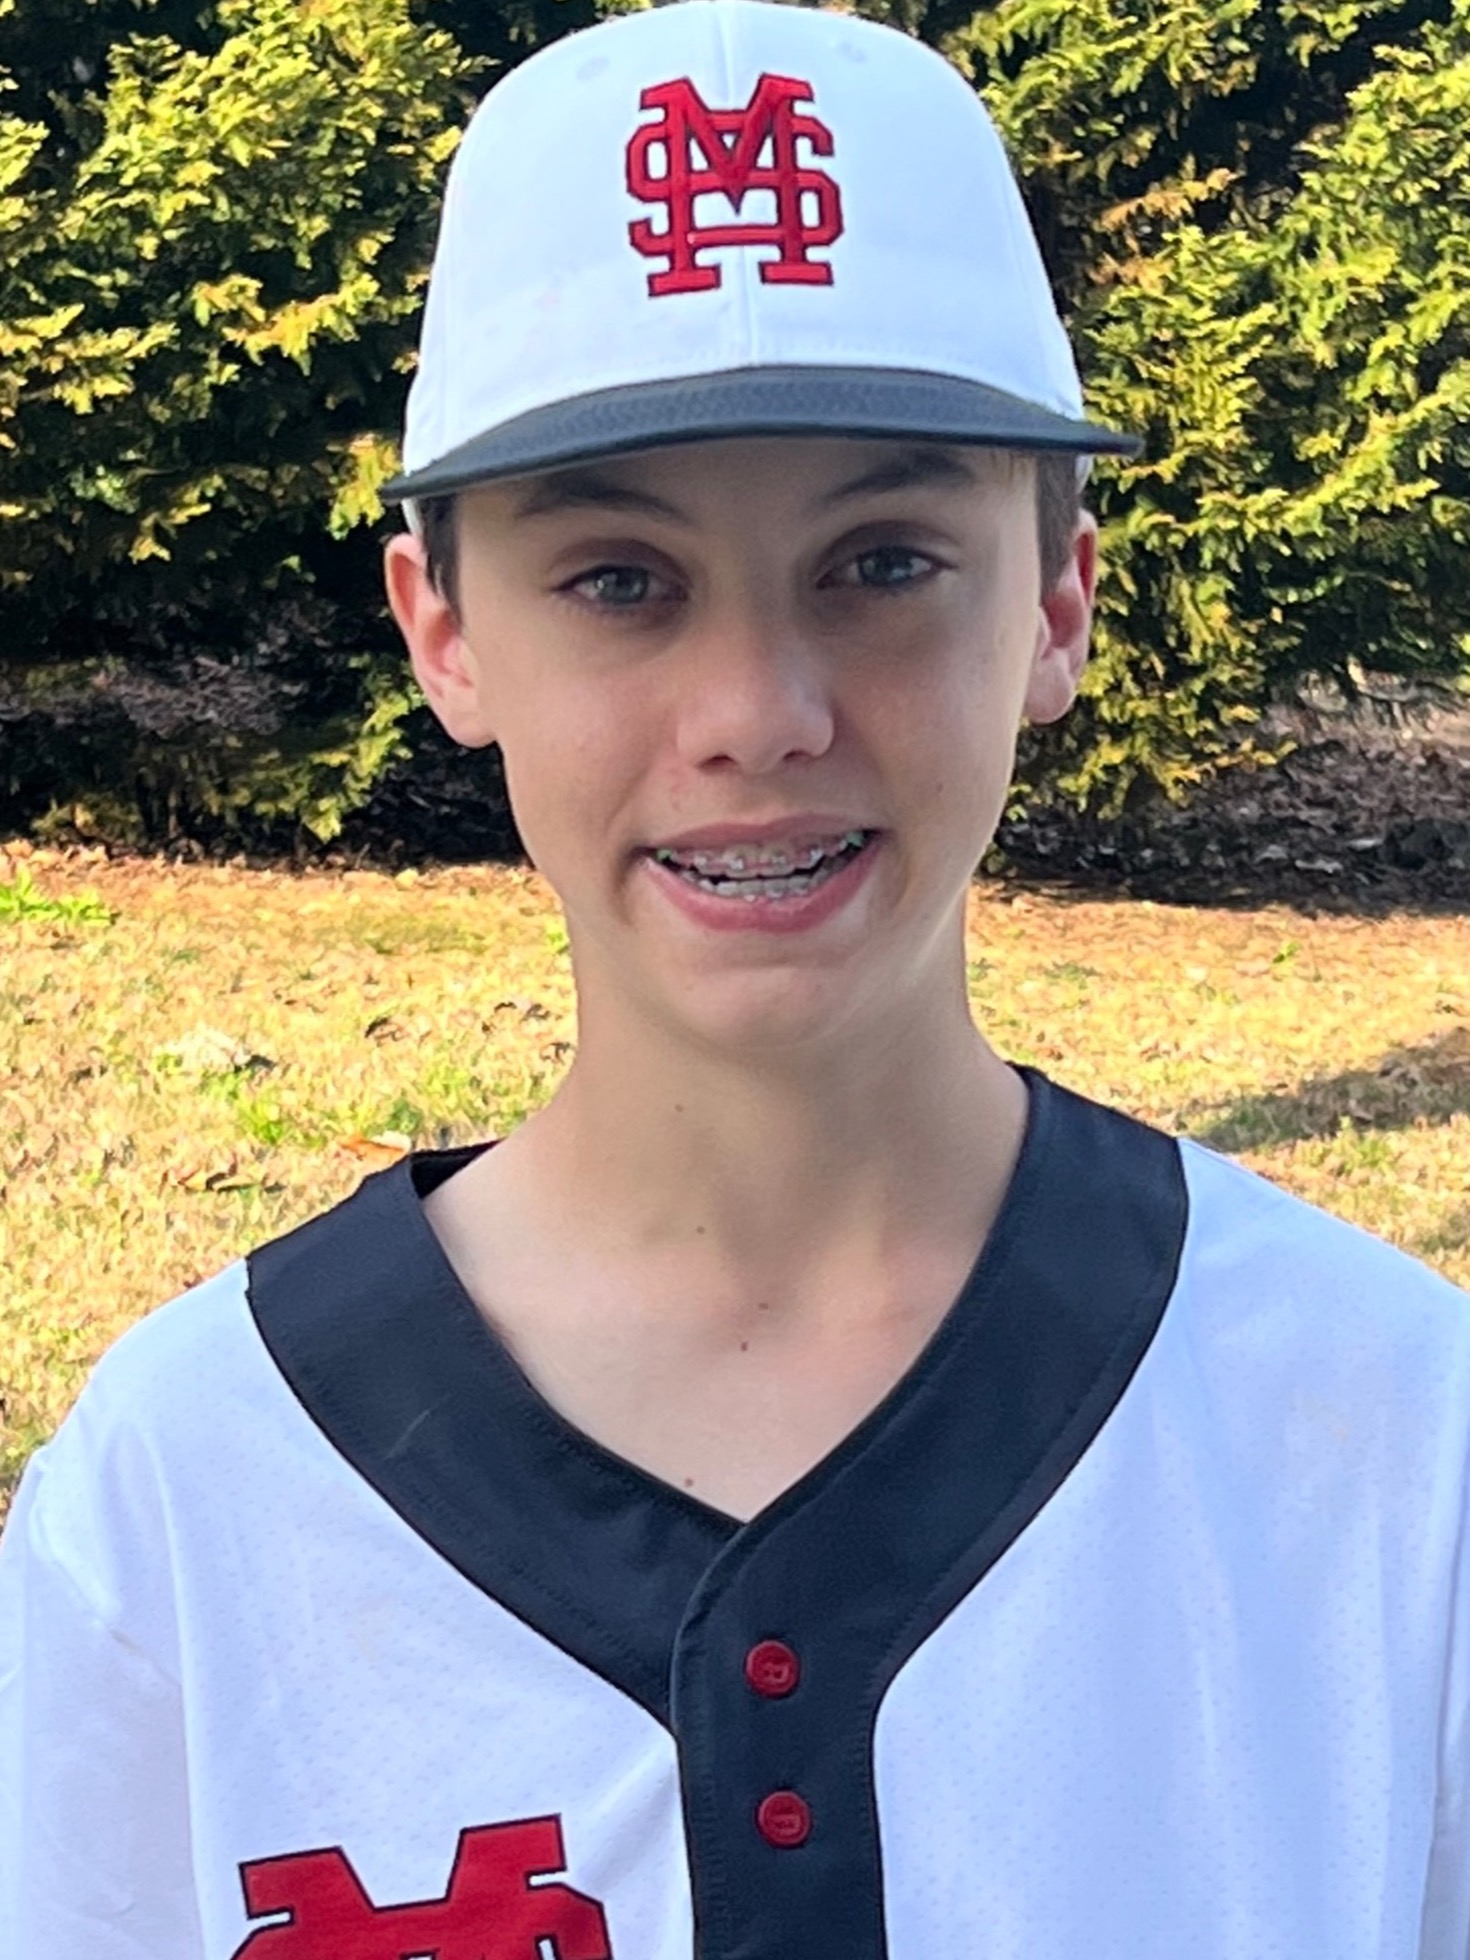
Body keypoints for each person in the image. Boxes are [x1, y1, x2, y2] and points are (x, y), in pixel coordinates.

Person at [3, 2, 1468, 1954]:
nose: (759, 712)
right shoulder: (187, 1491)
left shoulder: (1386, 1438)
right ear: (444, 630)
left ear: (1055, 599)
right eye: (619, 578)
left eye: (882, 562)